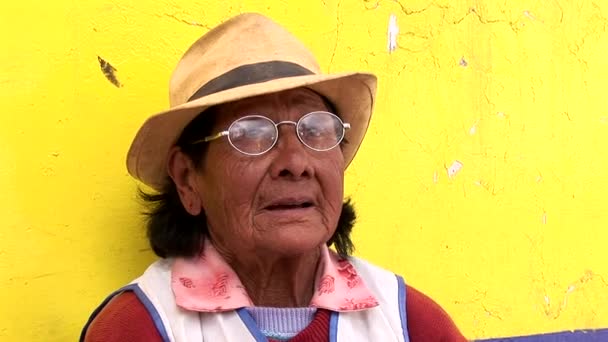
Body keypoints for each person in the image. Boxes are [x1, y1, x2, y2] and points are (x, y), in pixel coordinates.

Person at [81, 13, 467, 342]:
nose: (296, 162)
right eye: (252, 133)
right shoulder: (142, 327)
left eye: (316, 128)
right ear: (187, 179)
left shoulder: (407, 322)